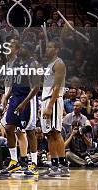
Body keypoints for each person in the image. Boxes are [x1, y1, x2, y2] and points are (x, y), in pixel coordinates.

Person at [1, 42, 40, 176]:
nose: (20, 49)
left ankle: (34, 163)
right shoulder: (16, 63)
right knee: (8, 128)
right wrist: (7, 95)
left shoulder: (33, 64)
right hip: (15, 97)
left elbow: (36, 87)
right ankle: (14, 162)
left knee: (29, 131)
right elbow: (13, 82)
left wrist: (24, 103)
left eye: (24, 47)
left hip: (28, 98)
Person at [41, 42, 69, 177]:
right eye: (46, 47)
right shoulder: (49, 65)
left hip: (54, 100)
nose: (47, 49)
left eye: (50, 47)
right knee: (49, 134)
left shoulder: (59, 63)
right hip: (46, 100)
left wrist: (50, 106)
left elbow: (57, 87)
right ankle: (54, 165)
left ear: (57, 49)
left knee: (56, 132)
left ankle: (64, 166)